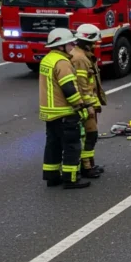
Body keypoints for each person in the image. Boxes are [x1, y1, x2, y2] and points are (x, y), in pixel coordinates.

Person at [39, 28, 91, 189]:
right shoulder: (62, 62)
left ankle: (52, 176)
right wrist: (80, 106)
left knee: (53, 145)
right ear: (61, 46)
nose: (73, 46)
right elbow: (68, 87)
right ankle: (71, 179)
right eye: (70, 43)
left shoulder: (48, 59)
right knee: (72, 146)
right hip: (65, 112)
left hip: (50, 113)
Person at [69, 24, 106, 178]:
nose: (95, 45)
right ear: (87, 41)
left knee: (89, 136)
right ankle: (86, 167)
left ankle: (89, 163)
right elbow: (83, 85)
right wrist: (90, 106)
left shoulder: (83, 55)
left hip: (87, 103)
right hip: (85, 105)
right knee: (89, 135)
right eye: (94, 42)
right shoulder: (80, 59)